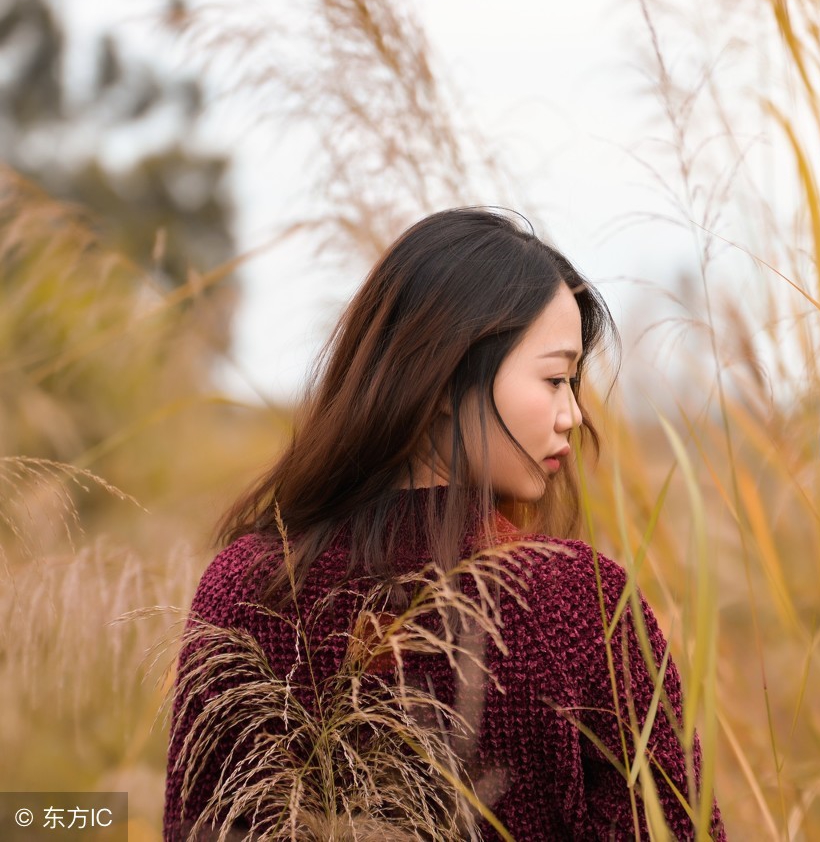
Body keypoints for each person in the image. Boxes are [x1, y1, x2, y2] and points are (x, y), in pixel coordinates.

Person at [162, 208, 725, 841]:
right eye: (555, 378)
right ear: (445, 380)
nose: (572, 413)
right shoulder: (579, 604)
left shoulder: (243, 589)